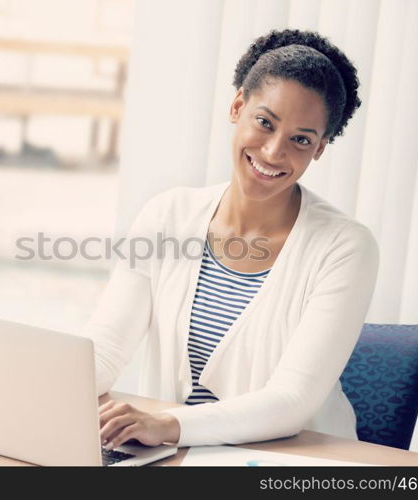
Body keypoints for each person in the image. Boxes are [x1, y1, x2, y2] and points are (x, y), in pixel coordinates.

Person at [85, 29, 379, 450]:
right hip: (177, 455)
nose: (275, 152)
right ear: (237, 106)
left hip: (292, 464)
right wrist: (24, 384)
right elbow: (106, 350)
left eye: (301, 139)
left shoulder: (346, 247)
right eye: (265, 122)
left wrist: (167, 425)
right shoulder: (168, 215)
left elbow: (290, 401)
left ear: (319, 148)